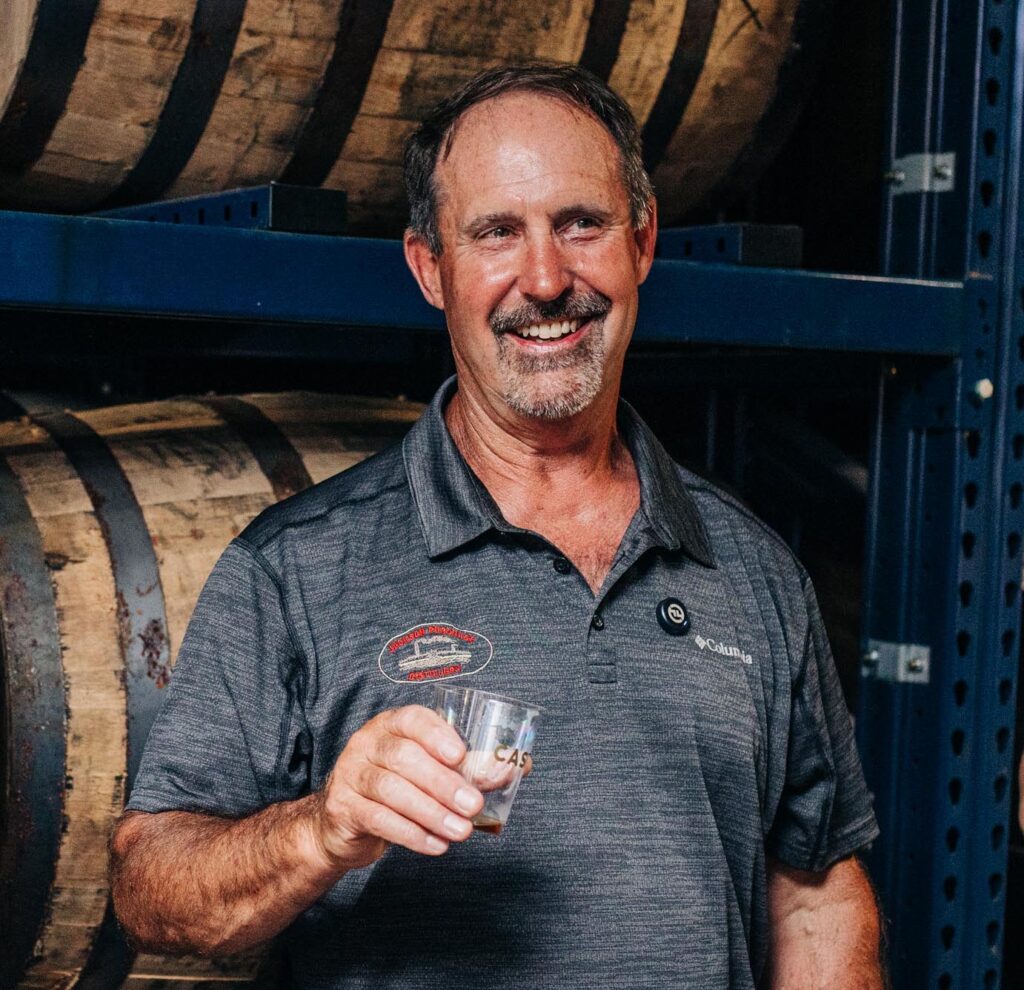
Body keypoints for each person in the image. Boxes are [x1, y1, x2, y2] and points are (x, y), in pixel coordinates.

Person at [111, 63, 884, 989]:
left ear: (641, 243)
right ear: (430, 269)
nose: (547, 279)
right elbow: (149, 887)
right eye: (496, 234)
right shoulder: (299, 568)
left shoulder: (755, 572)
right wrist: (324, 827)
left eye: (580, 224)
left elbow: (815, 890)